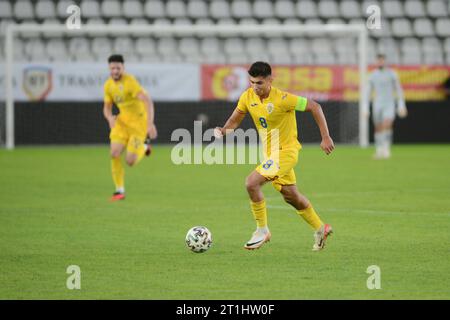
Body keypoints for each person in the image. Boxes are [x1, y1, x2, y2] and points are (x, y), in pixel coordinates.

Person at [215, 62, 335, 251]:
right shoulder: (247, 97)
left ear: (271, 80)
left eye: (260, 83)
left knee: (251, 183)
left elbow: (315, 106)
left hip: (286, 152)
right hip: (271, 155)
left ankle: (262, 230)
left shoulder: (283, 99)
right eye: (252, 82)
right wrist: (224, 130)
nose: (255, 87)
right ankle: (321, 228)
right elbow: (236, 118)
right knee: (291, 196)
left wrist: (326, 137)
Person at [103, 54, 157, 201]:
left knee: (130, 161)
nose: (115, 71)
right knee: (114, 153)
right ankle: (119, 190)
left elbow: (147, 101)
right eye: (112, 68)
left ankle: (144, 147)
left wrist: (150, 124)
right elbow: (107, 107)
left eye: (118, 68)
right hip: (121, 124)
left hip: (138, 125)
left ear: (123, 68)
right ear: (109, 68)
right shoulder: (108, 85)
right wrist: (109, 118)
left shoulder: (130, 82)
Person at [366, 54, 407, 159]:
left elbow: (398, 90)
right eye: (378, 61)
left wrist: (401, 105)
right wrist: (365, 108)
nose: (380, 62)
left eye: (382, 60)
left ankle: (386, 148)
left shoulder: (392, 74)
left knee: (387, 124)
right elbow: (368, 92)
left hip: (389, 103)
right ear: (376, 62)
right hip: (377, 104)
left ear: (385, 61)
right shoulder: (372, 75)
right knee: (378, 127)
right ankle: (379, 149)